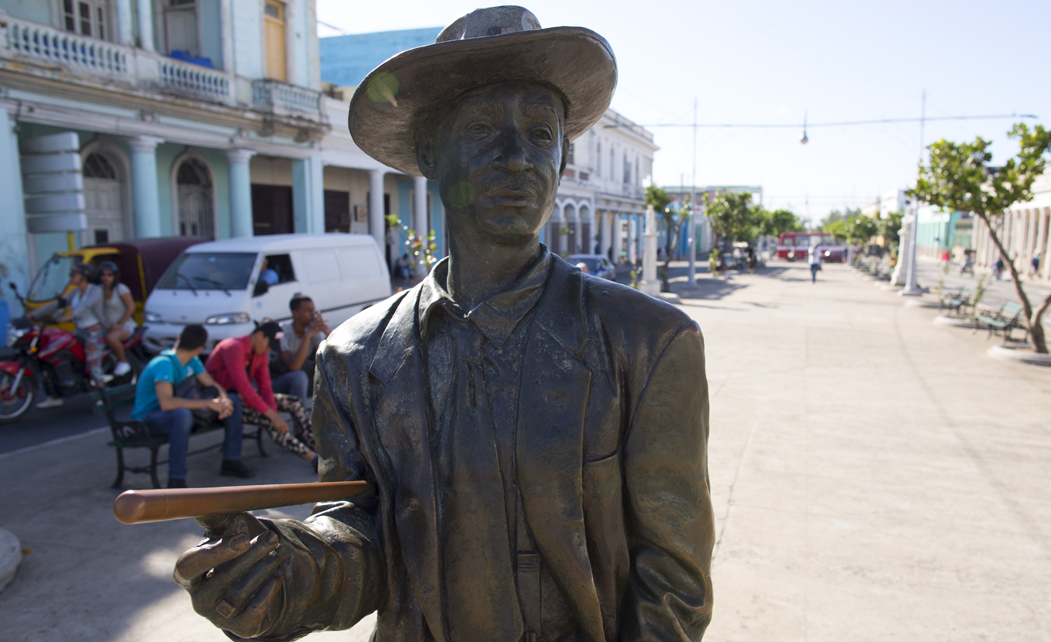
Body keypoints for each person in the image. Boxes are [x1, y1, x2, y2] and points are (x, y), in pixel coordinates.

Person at [173, 8, 713, 642]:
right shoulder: (355, 357)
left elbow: (673, 581)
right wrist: (281, 574)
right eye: (483, 128)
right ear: (430, 152)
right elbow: (362, 535)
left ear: (564, 159)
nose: (518, 159)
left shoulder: (649, 343)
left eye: (542, 135)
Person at [131, 324, 252, 488]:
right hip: (148, 419)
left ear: (178, 339)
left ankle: (231, 460)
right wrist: (209, 403)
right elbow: (166, 403)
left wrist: (224, 400)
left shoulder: (192, 361)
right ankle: (176, 480)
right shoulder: (164, 364)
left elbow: (212, 384)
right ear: (200, 348)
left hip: (178, 412)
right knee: (182, 415)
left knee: (234, 401)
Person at [205, 320, 318, 469]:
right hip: (222, 401)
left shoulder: (260, 352)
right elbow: (244, 387)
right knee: (268, 419)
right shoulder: (232, 347)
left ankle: (316, 447)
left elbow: (265, 386)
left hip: (242, 398)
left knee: (294, 403)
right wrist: (272, 416)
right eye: (269, 344)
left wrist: (273, 410)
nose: (269, 349)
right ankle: (313, 460)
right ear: (259, 335)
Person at [38, 264, 103, 408]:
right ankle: (55, 395)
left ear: (84, 276)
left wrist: (70, 316)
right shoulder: (75, 292)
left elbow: (85, 306)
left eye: (73, 274)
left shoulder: (95, 291)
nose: (70, 277)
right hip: (79, 330)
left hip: (94, 331)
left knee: (93, 362)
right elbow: (58, 303)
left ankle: (102, 393)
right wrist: (35, 314)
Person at [273, 294, 330, 400]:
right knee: (300, 377)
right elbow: (294, 366)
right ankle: (302, 414)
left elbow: (327, 358)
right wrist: (307, 336)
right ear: (295, 314)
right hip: (280, 379)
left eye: (313, 310)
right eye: (308, 311)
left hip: (304, 377)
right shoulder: (282, 332)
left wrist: (327, 333)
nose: (313, 314)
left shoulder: (312, 330)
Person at [93, 261, 135, 377]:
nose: (106, 278)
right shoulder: (98, 290)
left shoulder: (121, 289)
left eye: (109, 275)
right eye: (103, 275)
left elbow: (131, 307)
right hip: (106, 326)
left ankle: (123, 362)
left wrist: (120, 323)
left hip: (124, 326)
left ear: (114, 276)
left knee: (111, 338)